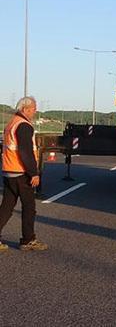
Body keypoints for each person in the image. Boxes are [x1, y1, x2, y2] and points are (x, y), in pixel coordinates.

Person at [0, 96, 48, 251]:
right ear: (25, 109)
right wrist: (34, 173)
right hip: (21, 172)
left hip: (9, 170)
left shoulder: (11, 123)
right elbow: (25, 151)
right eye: (33, 108)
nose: (35, 111)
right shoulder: (24, 126)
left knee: (6, 207)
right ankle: (28, 240)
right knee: (29, 207)